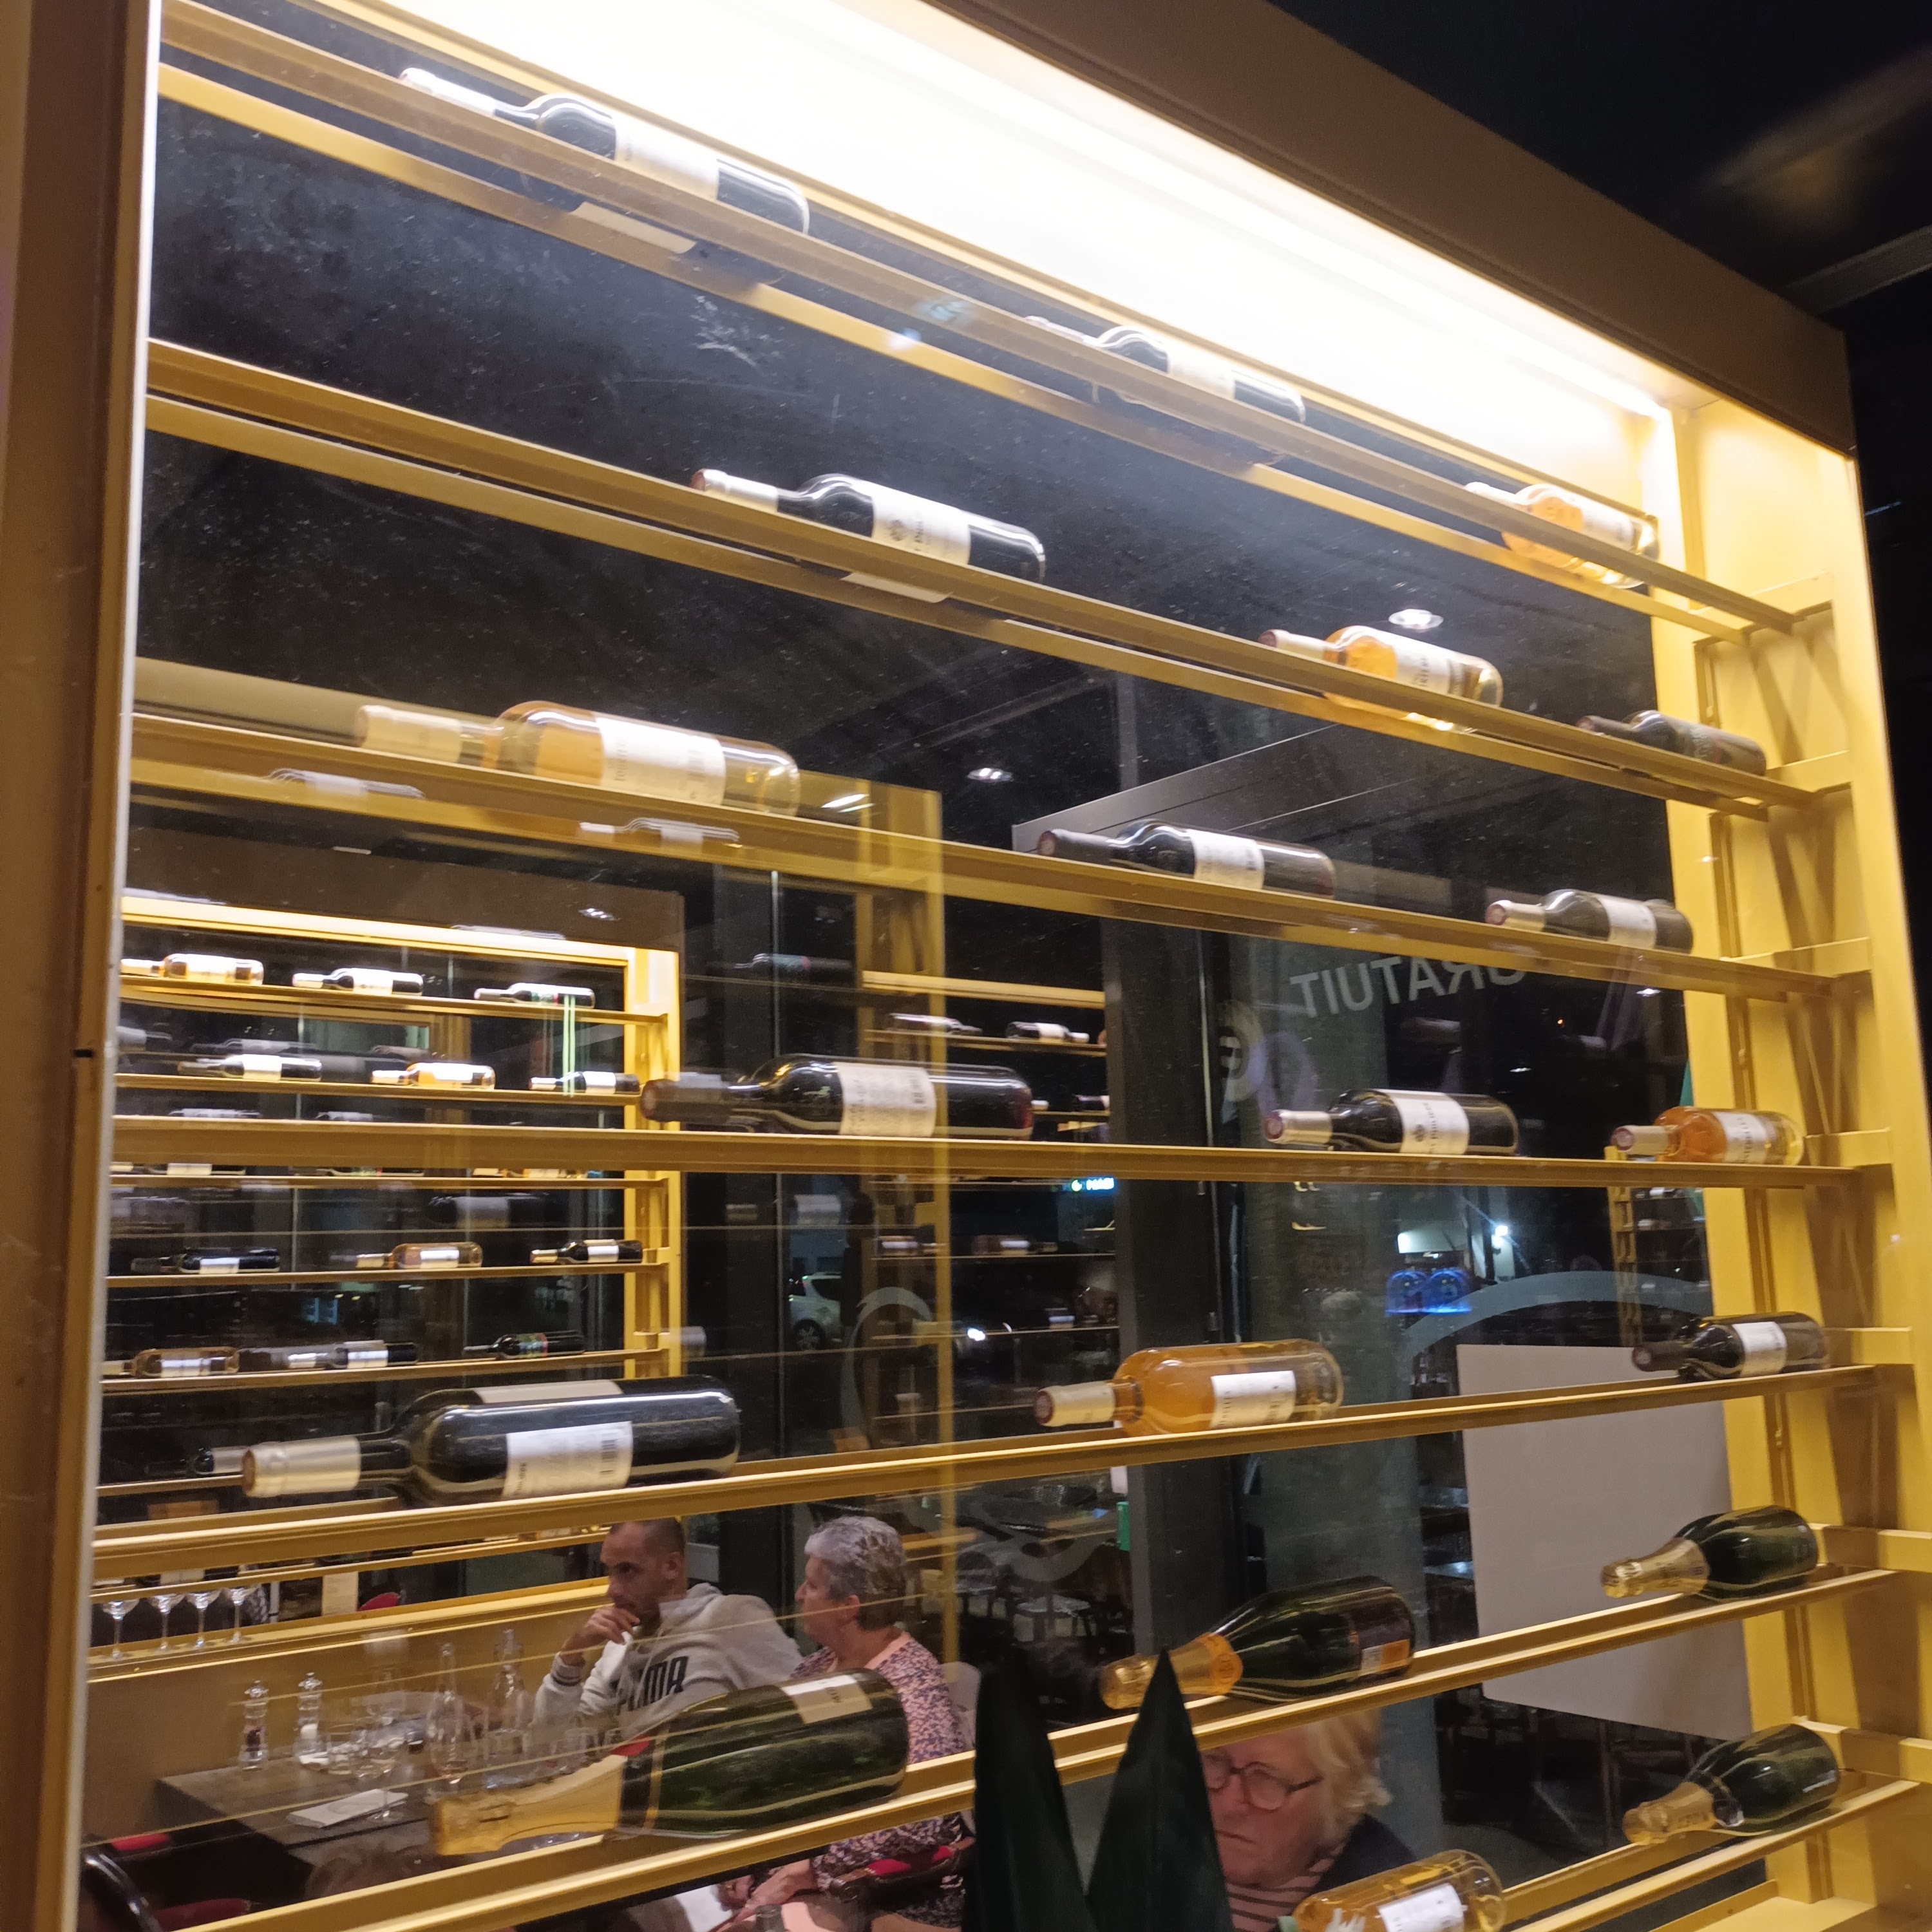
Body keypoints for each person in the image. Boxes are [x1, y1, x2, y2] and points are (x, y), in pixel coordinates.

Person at [723, 1517, 970, 1931]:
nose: (799, 1595)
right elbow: (772, 1769)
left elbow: (916, 1823)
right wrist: (748, 1855)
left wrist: (804, 1871)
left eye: (811, 1586)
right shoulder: (815, 1669)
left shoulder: (912, 1689)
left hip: (887, 1896)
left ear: (847, 1607)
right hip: (796, 1874)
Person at [534, 1517, 800, 1739]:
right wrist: (572, 1654)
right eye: (610, 1572)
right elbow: (553, 1741)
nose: (612, 1591)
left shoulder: (729, 1618)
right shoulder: (619, 1648)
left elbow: (803, 1699)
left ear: (671, 1567)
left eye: (627, 1571)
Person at [1205, 1712, 1412, 1932]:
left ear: (1339, 1790)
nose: (1228, 1806)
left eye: (1266, 1778)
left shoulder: (1391, 1907)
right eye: (1213, 1760)